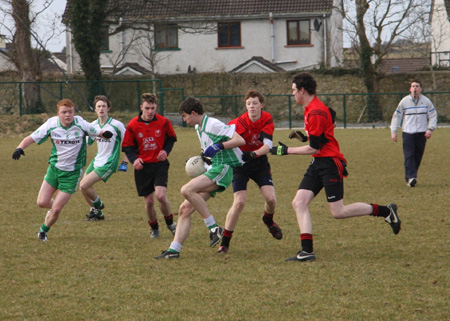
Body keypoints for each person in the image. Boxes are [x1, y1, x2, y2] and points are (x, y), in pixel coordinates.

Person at [270, 73, 401, 262]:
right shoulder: (312, 109)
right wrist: (304, 136)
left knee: (338, 212)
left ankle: (386, 211)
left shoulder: (315, 112)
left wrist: (286, 150)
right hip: (319, 162)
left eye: (293, 91)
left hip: (330, 163)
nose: (292, 94)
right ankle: (307, 251)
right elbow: (325, 127)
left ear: (302, 90)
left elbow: (314, 147)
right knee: (299, 202)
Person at [155, 96, 245, 259]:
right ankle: (174, 249)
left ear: (194, 113)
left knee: (186, 189)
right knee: (184, 209)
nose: (184, 119)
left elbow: (240, 140)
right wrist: (197, 160)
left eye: (185, 116)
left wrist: (219, 145)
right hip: (213, 168)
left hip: (224, 167)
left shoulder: (213, 124)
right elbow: (208, 152)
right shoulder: (199, 128)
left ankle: (213, 228)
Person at [12, 99, 113, 241]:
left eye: (70, 112)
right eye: (64, 112)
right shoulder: (52, 124)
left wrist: (105, 134)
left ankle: (43, 231)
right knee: (42, 202)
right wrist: (20, 148)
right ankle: (54, 208)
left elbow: (97, 131)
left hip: (72, 174)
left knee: (57, 209)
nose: (67, 115)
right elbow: (32, 137)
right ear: (58, 114)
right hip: (54, 169)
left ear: (74, 112)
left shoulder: (80, 123)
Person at [217, 90, 282, 254]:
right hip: (240, 165)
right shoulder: (237, 123)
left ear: (261, 105)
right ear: (245, 106)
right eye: (248, 103)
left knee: (271, 199)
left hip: (259, 163)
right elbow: (220, 142)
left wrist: (253, 154)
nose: (252, 106)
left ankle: (268, 220)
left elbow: (267, 145)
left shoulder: (266, 118)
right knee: (239, 202)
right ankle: (224, 243)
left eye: (255, 103)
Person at [122, 93, 177, 238]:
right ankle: (154, 228)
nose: (150, 111)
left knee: (160, 195)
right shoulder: (133, 125)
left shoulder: (163, 122)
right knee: (149, 202)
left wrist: (166, 150)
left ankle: (171, 223)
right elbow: (127, 146)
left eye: (153, 108)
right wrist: (134, 160)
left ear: (156, 107)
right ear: (141, 108)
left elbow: (171, 138)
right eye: (147, 108)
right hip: (143, 167)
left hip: (159, 165)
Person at [80, 95, 127, 221]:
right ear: (95, 109)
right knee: (82, 188)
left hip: (109, 162)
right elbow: (85, 144)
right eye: (98, 106)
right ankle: (97, 213)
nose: (101, 109)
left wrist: (125, 162)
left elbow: (129, 144)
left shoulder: (117, 125)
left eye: (104, 106)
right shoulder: (93, 125)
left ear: (108, 108)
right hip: (96, 160)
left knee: (84, 185)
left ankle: (98, 204)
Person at [390, 80, 437, 187]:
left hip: (421, 133)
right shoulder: (404, 102)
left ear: (420, 89)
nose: (415, 88)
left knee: (418, 156)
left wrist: (430, 129)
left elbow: (433, 115)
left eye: (417, 86)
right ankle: (412, 177)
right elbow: (397, 116)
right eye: (413, 86)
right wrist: (394, 131)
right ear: (410, 89)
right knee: (409, 155)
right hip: (408, 133)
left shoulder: (426, 102)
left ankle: (409, 176)